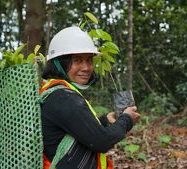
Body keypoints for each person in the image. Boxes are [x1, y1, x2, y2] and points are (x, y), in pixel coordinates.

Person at [40, 26, 140, 169]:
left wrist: (105, 121)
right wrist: (127, 119)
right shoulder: (63, 97)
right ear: (59, 62)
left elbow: (78, 130)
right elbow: (102, 141)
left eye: (89, 60)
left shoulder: (54, 93)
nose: (86, 67)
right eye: (77, 60)